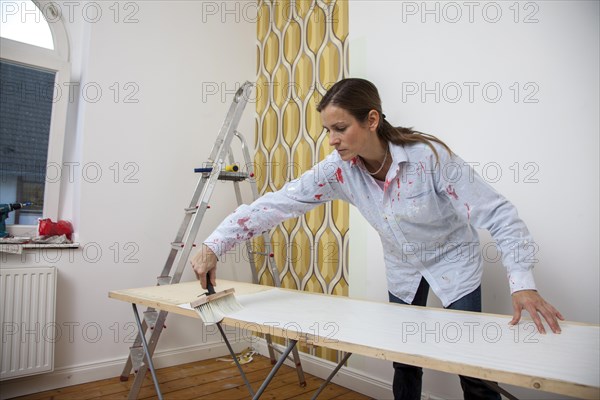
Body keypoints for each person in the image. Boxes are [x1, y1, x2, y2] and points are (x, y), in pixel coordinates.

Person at [191, 78, 564, 400]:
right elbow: (277, 204)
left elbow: (498, 213)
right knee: (404, 358)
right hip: (403, 268)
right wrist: (213, 245)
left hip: (455, 263)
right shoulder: (338, 171)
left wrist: (522, 284)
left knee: (472, 364)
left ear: (371, 119)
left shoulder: (429, 159)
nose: (333, 140)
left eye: (340, 128)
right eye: (328, 131)